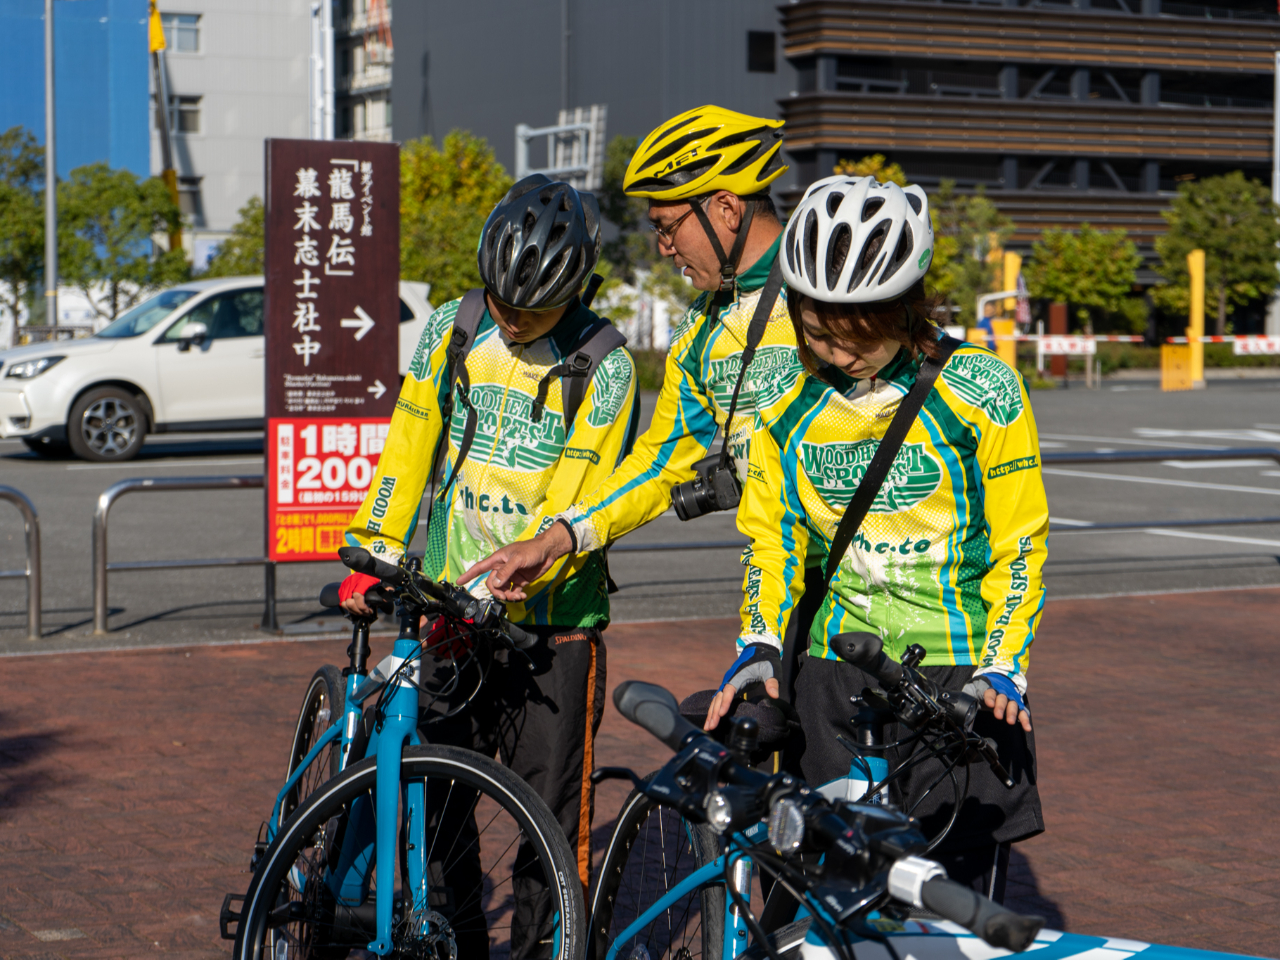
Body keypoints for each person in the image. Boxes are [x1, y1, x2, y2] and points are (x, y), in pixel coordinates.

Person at [707, 174, 1048, 899]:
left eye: (858, 334)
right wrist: (759, 643)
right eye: (819, 333)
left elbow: (1020, 544)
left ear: (905, 307)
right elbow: (773, 542)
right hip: (836, 682)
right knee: (826, 911)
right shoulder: (784, 402)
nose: (837, 353)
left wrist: (1004, 666)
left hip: (956, 685)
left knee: (942, 923)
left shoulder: (979, 388)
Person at [337, 173, 639, 947]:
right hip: (448, 611)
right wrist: (373, 551)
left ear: (576, 290)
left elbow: (580, 498)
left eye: (529, 312)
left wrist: (527, 568)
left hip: (552, 630)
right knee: (435, 811)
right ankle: (459, 944)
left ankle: (551, 947)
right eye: (500, 303)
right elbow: (409, 445)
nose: (509, 322)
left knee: (548, 822)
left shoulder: (605, 364)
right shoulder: (453, 327)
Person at [462, 106, 824, 688]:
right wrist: (554, 540)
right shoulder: (700, 332)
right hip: (778, 594)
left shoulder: (834, 296)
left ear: (726, 207)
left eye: (666, 225)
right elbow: (660, 463)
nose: (662, 247)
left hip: (885, 596)